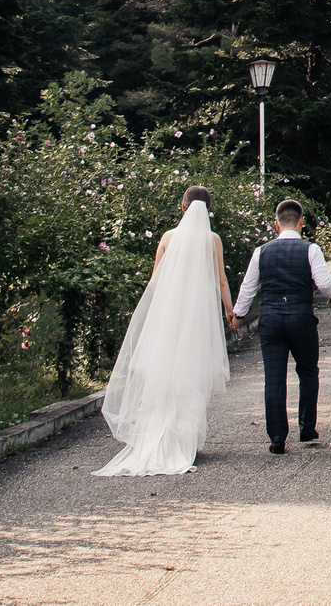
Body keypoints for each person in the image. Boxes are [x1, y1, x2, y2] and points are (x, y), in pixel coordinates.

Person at [93, 186, 234, 476]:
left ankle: (153, 437)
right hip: (197, 318)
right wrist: (230, 311)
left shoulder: (168, 238)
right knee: (189, 376)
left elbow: (155, 282)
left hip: (169, 317)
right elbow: (221, 281)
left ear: (183, 208)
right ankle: (185, 442)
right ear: (207, 210)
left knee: (163, 375)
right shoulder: (212, 240)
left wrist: (153, 317)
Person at [230, 197, 331, 453]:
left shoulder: (261, 252)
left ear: (276, 225)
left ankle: (277, 437)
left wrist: (239, 315)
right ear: (301, 222)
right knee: (308, 371)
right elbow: (324, 285)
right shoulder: (311, 249)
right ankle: (307, 428)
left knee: (274, 377)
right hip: (301, 318)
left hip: (271, 320)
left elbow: (248, 287)